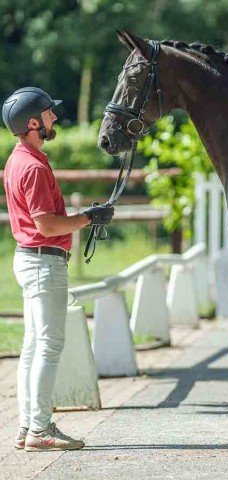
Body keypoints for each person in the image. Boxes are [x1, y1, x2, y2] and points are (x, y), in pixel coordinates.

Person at [2, 87, 114, 452]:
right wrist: (88, 218)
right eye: (48, 114)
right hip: (44, 260)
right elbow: (47, 225)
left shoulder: (20, 159)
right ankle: (39, 429)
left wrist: (85, 218)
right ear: (33, 123)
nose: (54, 117)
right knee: (49, 346)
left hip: (32, 259)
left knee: (34, 346)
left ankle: (27, 425)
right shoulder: (32, 167)